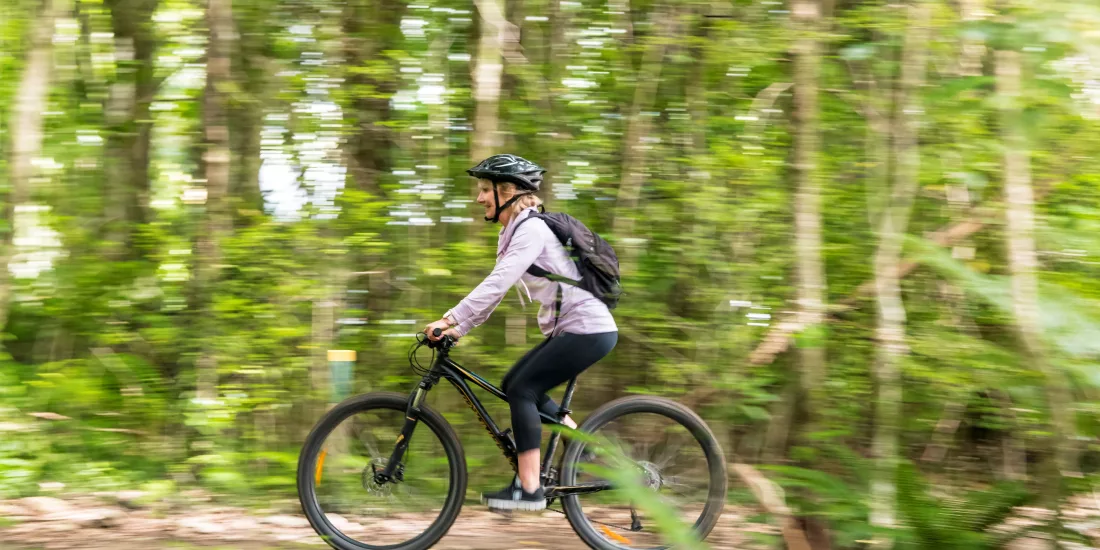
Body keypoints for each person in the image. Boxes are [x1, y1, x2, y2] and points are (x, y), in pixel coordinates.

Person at [423, 154, 618, 511]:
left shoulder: (532, 230)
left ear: (508, 191)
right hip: (577, 329)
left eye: (485, 190)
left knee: (523, 389)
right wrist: (459, 328)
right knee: (515, 382)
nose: (479, 198)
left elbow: (497, 284)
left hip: (587, 328)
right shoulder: (515, 232)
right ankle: (584, 450)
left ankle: (530, 490)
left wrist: (449, 318)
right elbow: (495, 294)